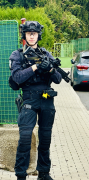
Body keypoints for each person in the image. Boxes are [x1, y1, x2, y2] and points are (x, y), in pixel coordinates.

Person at [9, 21, 62, 180]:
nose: (32, 36)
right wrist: (35, 67)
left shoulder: (46, 54)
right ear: (24, 35)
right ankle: (20, 175)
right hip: (29, 99)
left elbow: (59, 78)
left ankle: (44, 173)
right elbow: (17, 77)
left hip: (46, 100)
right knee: (25, 138)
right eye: (28, 33)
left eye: (34, 33)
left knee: (45, 139)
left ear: (38, 35)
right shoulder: (17, 55)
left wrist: (50, 69)